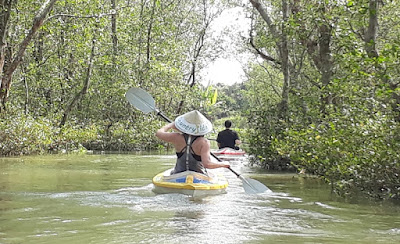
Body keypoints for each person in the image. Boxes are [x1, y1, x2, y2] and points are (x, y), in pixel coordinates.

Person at [155, 110, 230, 175]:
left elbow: (158, 133)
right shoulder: (204, 142)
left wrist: (170, 125)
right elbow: (207, 164)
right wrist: (223, 164)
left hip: (177, 174)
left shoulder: (176, 137)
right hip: (199, 176)